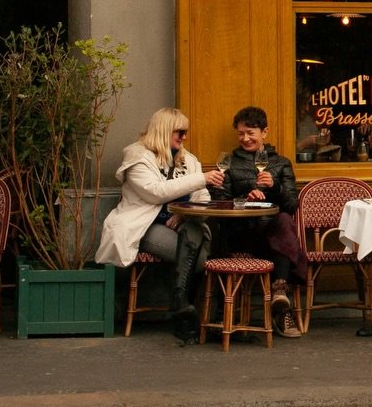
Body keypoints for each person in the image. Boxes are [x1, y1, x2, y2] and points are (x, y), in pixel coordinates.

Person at [96, 108, 225, 338]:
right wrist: (201, 178)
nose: (184, 137)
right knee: (200, 258)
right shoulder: (138, 157)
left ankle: (180, 303)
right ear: (164, 130)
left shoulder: (188, 159)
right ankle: (183, 308)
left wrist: (185, 214)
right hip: (144, 225)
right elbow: (155, 193)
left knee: (193, 233)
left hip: (182, 225)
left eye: (185, 133)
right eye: (180, 132)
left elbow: (202, 197)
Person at [209, 105, 309, 338]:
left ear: (265, 132)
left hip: (271, 236)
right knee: (284, 235)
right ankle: (282, 306)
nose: (245, 138)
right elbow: (219, 202)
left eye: (250, 133)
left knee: (284, 220)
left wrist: (274, 187)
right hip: (239, 236)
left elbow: (292, 205)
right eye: (241, 133)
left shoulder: (281, 163)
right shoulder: (229, 163)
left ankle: (279, 295)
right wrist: (244, 198)